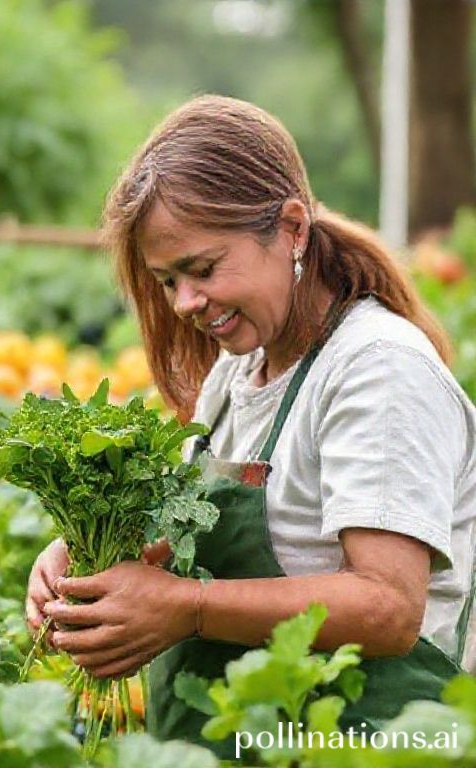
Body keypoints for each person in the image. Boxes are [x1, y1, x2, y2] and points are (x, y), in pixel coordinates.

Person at [25, 95, 476, 758]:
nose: (184, 303)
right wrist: (95, 563)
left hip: (364, 745)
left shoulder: (376, 369)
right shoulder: (238, 376)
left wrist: (188, 607)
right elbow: (201, 539)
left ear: (292, 228)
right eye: (166, 279)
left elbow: (387, 606)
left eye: (203, 269)